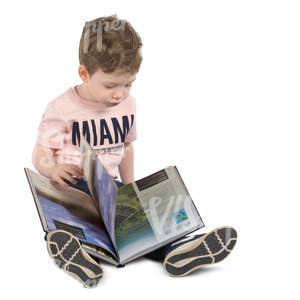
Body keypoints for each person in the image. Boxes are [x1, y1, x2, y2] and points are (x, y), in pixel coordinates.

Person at [32, 15, 238, 288]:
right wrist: (53, 168)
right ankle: (79, 253)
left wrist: (130, 187)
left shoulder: (127, 105)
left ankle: (177, 250)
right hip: (72, 187)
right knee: (78, 223)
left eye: (128, 84)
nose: (120, 94)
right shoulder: (62, 108)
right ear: (84, 74)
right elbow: (40, 151)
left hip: (109, 189)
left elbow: (126, 147)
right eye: (110, 85)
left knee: (142, 226)